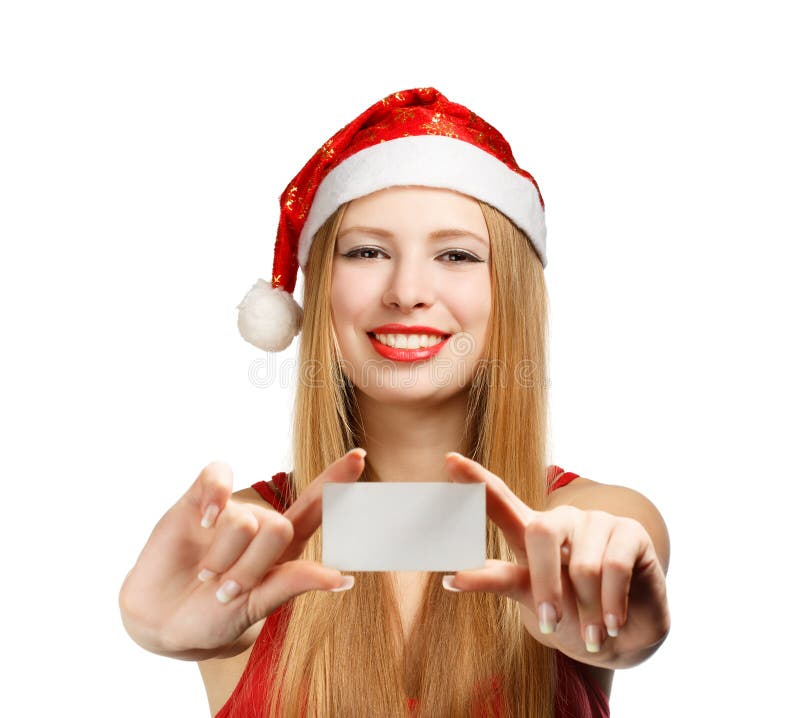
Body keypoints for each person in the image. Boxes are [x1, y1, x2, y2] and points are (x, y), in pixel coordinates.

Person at [119, 87, 670, 717]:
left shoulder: (588, 520)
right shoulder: (245, 541)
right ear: (321, 289)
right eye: (367, 252)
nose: (407, 291)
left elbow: (620, 619)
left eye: (457, 255)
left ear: (511, 294)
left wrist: (612, 613)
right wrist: (150, 630)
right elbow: (196, 609)